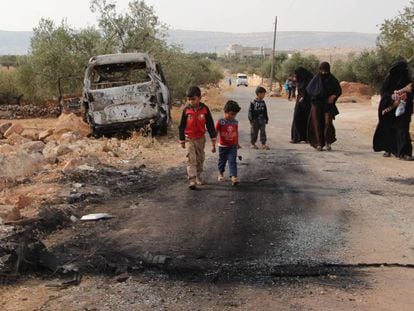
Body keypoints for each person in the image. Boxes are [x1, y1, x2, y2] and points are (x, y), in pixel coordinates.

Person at [373, 60, 413, 161]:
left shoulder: (408, 80)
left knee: (403, 129)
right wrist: (391, 99)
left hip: (404, 108)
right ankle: (388, 148)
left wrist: (406, 96)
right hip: (390, 107)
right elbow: (384, 93)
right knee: (389, 128)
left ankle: (405, 152)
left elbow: (412, 92)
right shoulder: (389, 80)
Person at [179, 86, 217, 189]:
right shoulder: (186, 110)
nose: (191, 101)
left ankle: (199, 176)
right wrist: (182, 139)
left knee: (200, 158)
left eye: (193, 99)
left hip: (200, 138)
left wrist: (213, 138)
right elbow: (182, 125)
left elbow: (210, 124)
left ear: (199, 98)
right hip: (189, 138)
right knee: (192, 159)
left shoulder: (205, 109)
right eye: (189, 99)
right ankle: (192, 179)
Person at [306, 62, 342, 151]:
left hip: (328, 105)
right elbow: (309, 90)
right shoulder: (316, 79)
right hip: (317, 104)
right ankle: (319, 143)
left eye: (326, 71)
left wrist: (333, 96)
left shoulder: (332, 79)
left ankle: (328, 141)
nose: (324, 73)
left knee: (328, 123)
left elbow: (338, 90)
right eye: (322, 71)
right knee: (317, 123)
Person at [216, 100, 242, 186]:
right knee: (222, 161)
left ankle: (234, 176)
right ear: (225, 111)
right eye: (231, 114)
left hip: (232, 146)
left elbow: (236, 133)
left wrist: (237, 143)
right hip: (222, 146)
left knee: (232, 161)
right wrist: (213, 144)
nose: (232, 116)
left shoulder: (235, 122)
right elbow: (215, 132)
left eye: (234, 114)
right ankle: (221, 173)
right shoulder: (220, 122)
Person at [290, 67, 314, 144]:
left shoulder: (309, 81)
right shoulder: (299, 81)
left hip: (307, 103)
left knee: (306, 119)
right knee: (297, 117)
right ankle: (296, 137)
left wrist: (304, 96)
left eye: (296, 74)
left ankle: (307, 138)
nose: (295, 76)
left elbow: (309, 90)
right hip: (299, 102)